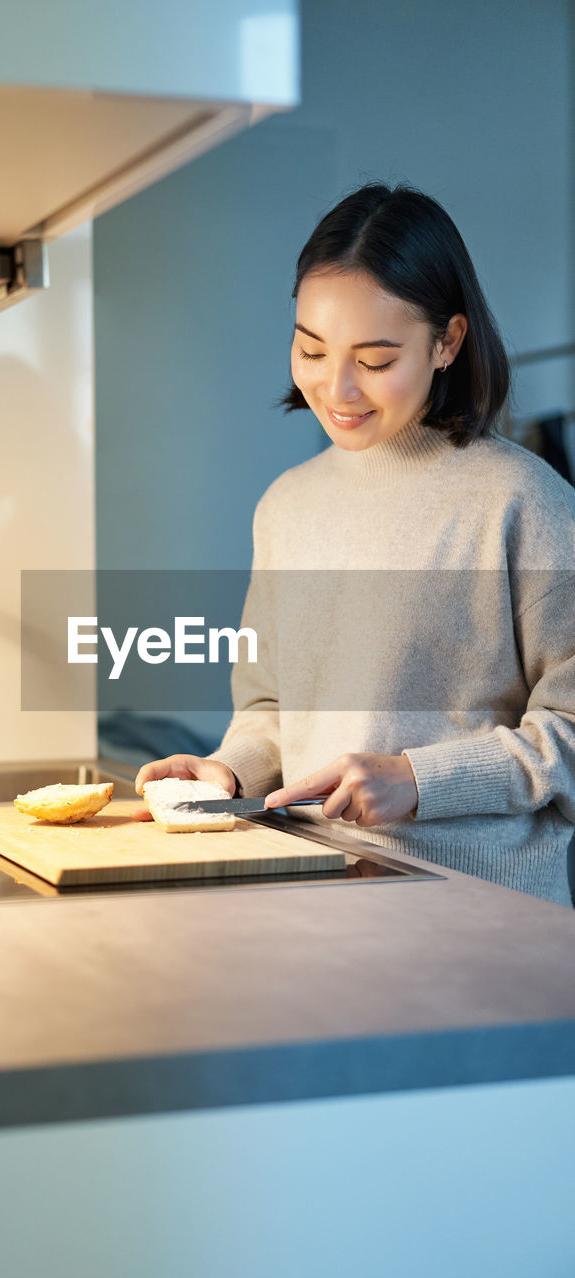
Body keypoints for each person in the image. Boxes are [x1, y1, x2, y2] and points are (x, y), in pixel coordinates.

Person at [135, 182, 575, 905]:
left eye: (373, 361)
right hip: (315, 900)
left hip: (480, 921)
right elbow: (272, 706)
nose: (335, 389)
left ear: (447, 341)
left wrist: (419, 781)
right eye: (310, 349)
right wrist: (228, 772)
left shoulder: (523, 502)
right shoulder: (287, 504)